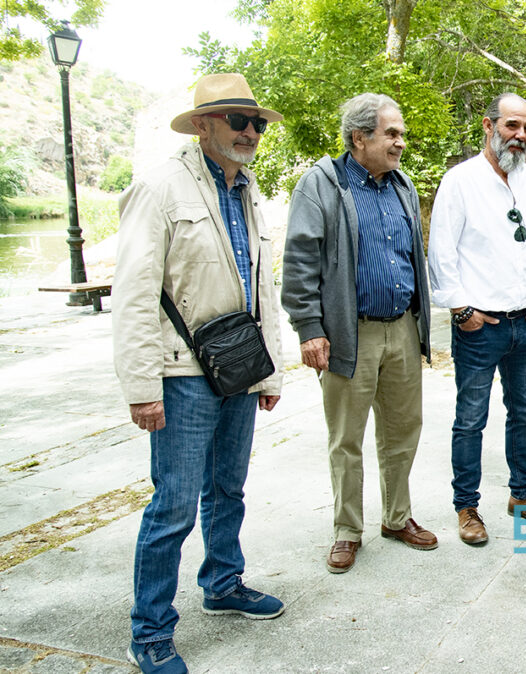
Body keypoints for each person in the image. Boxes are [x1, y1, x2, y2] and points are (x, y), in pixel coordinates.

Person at [112, 73, 285, 674]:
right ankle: (151, 631)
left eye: (257, 122)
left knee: (229, 489)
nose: (251, 132)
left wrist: (270, 372)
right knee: (174, 506)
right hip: (181, 372)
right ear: (204, 125)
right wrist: (141, 387)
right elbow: (133, 291)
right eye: (239, 120)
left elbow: (263, 286)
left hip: (237, 364)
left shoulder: (248, 190)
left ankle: (223, 582)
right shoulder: (160, 187)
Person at [282, 93, 436, 575]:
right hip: (351, 335)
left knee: (403, 430)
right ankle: (348, 530)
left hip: (402, 330)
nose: (400, 143)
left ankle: (396, 518)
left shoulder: (402, 186)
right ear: (359, 138)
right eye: (391, 134)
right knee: (346, 438)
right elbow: (300, 262)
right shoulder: (320, 186)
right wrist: (310, 328)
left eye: (401, 134)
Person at [428, 93, 526, 545]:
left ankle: (522, 496)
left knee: (523, 414)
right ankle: (466, 507)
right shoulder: (460, 180)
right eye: (511, 126)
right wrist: (461, 309)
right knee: (471, 418)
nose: (520, 136)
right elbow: (441, 251)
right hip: (478, 325)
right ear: (488, 127)